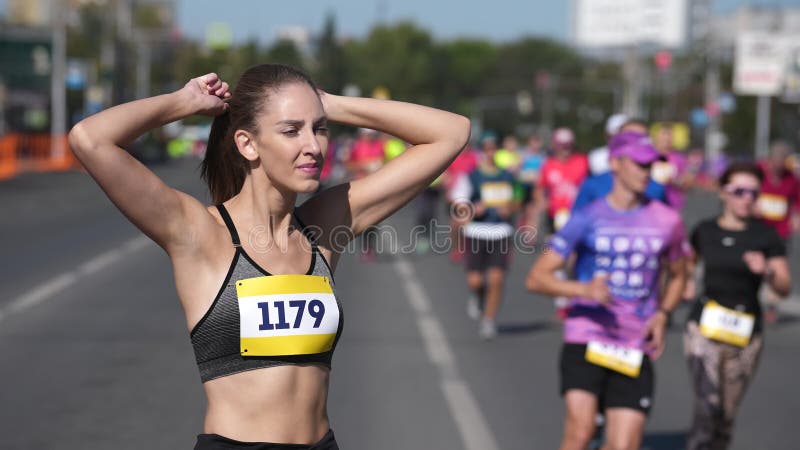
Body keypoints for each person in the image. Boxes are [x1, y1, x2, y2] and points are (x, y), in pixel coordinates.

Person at [68, 65, 470, 449]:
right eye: (291, 130)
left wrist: (329, 103)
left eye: (320, 129)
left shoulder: (325, 227)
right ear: (247, 143)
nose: (313, 146)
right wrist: (183, 102)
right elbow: (90, 139)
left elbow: (451, 132)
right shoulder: (200, 233)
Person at [526, 131, 688, 450]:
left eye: (651, 165)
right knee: (580, 432)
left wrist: (663, 314)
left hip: (634, 342)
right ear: (615, 163)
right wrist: (582, 289)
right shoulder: (587, 217)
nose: (646, 172)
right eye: (639, 164)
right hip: (587, 334)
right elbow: (536, 277)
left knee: (623, 445)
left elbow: (680, 274)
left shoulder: (667, 220)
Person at [683, 162, 791, 450]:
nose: (746, 198)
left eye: (753, 193)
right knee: (708, 404)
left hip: (746, 332)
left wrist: (767, 270)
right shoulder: (704, 231)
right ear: (723, 193)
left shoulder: (765, 236)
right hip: (703, 328)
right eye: (739, 191)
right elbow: (686, 265)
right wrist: (686, 283)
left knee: (726, 414)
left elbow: (784, 285)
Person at [451, 132, 519, 339]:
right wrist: (473, 209)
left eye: (494, 148)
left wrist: (510, 208)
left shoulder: (507, 176)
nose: (490, 152)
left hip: (500, 232)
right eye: (487, 148)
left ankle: (488, 320)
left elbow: (518, 201)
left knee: (497, 278)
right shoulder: (471, 177)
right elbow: (458, 207)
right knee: (476, 281)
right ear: (482, 151)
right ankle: (478, 296)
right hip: (476, 232)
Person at [573, 119, 667, 211]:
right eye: (630, 137)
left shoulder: (657, 190)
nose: (639, 142)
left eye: (643, 137)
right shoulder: (592, 186)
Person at [755, 140, 800, 323]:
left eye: (783, 161)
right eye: (777, 161)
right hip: (758, 226)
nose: (779, 165)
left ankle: (771, 306)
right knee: (757, 265)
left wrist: (796, 217)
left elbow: (797, 200)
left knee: (775, 268)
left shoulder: (792, 178)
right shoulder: (758, 172)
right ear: (770, 160)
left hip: (780, 230)